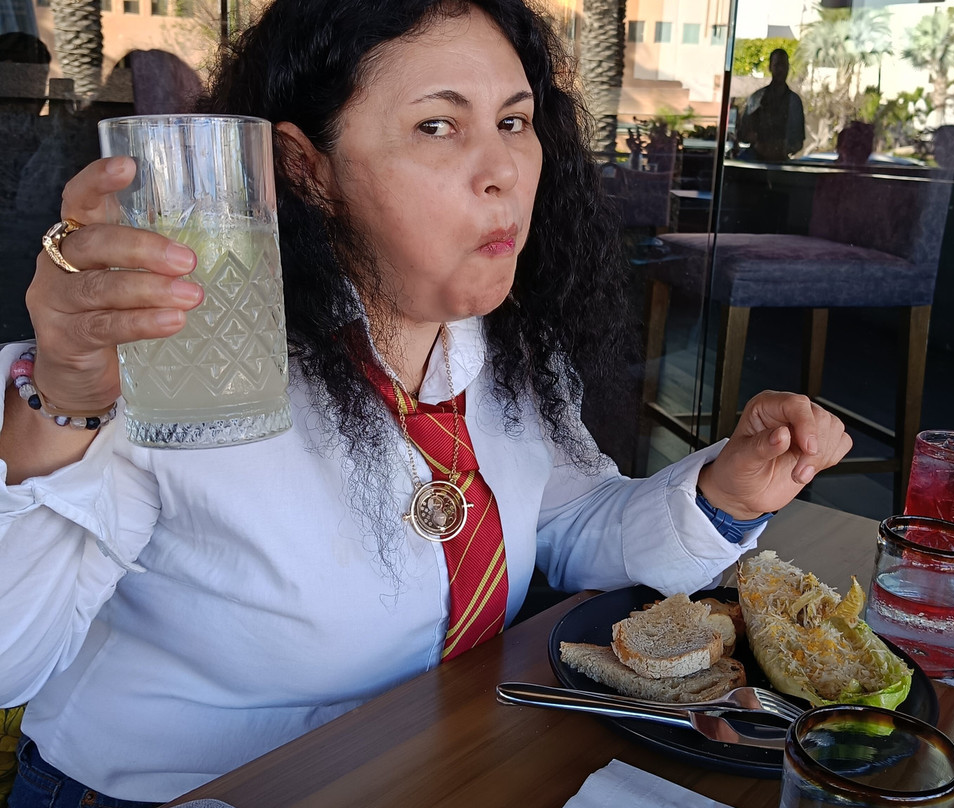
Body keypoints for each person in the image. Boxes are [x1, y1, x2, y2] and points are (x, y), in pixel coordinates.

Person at [0, 1, 852, 804]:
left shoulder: (503, 345)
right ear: (304, 168)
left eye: (514, 122)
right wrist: (63, 404)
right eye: (437, 126)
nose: (504, 171)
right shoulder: (179, 356)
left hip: (421, 767)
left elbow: (567, 518)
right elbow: (10, 663)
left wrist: (725, 495)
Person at [737, 48, 805, 162]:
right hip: (756, 162)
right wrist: (757, 141)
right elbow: (743, 134)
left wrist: (783, 149)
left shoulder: (794, 102)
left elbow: (798, 140)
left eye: (784, 65)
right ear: (770, 67)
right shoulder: (757, 98)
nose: (781, 69)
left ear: (788, 68)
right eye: (777, 65)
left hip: (781, 163)